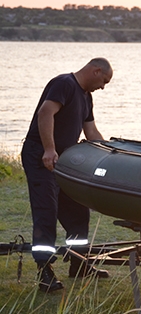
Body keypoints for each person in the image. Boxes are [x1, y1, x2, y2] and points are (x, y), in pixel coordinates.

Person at [21, 58, 113, 292]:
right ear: (96, 70)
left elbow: (91, 131)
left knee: (78, 211)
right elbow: (45, 113)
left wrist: (112, 154)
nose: (103, 87)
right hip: (40, 155)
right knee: (47, 211)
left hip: (64, 161)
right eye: (104, 81)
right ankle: (44, 271)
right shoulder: (64, 84)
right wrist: (49, 149)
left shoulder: (86, 97)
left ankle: (79, 264)